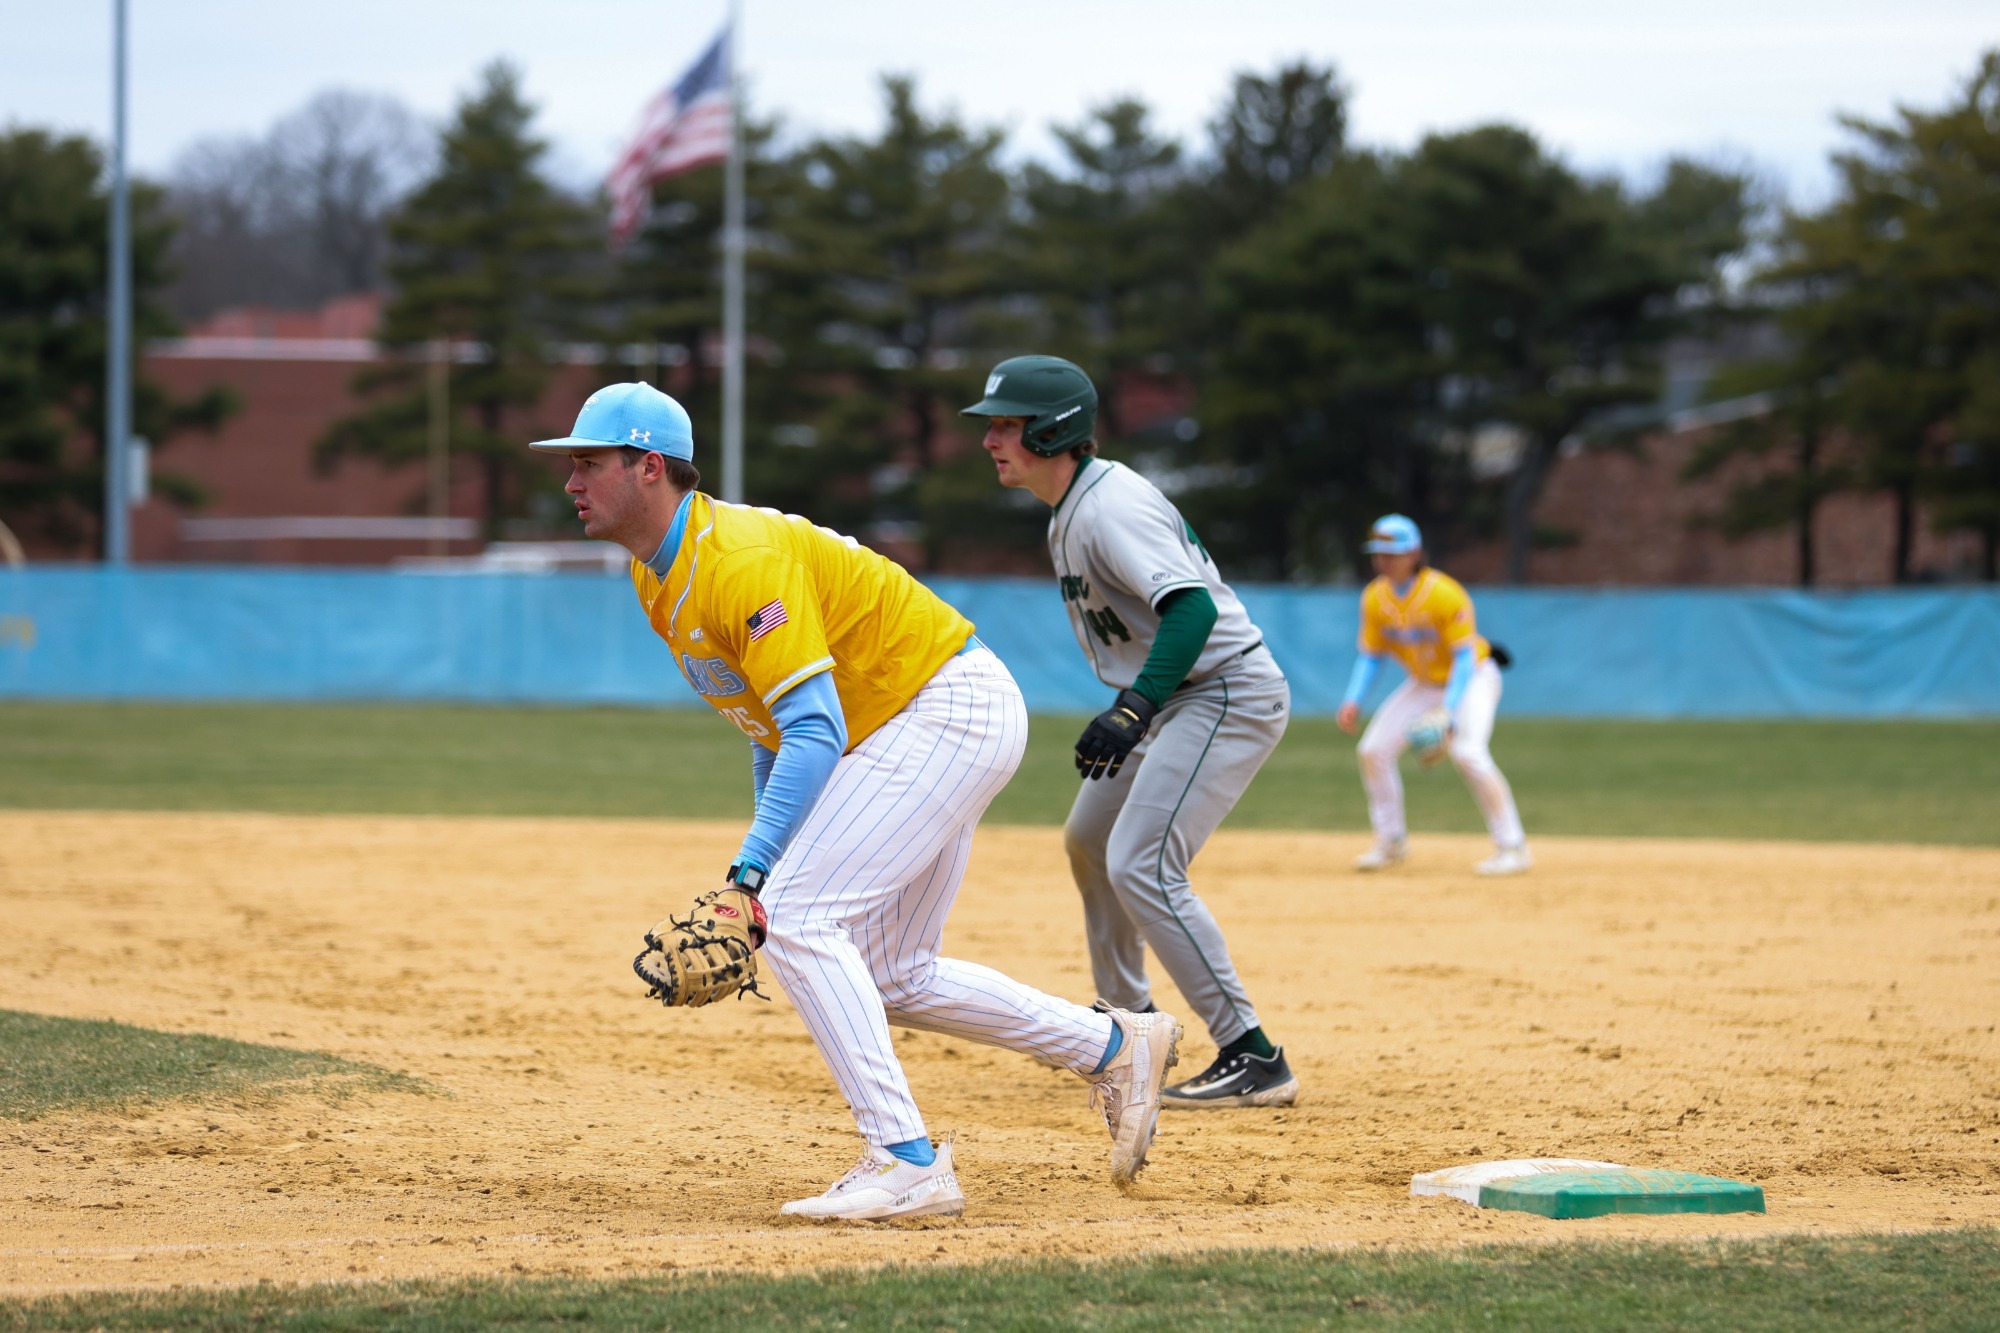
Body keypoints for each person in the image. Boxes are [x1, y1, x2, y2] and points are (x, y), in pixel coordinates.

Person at [533, 381, 1183, 1222]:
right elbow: (772, 733)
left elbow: (812, 729)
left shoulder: (737, 560)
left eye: (588, 461)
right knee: (892, 972)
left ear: (648, 466)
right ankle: (1112, 1045)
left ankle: (905, 1159)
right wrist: (759, 874)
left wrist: (755, 877)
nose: (571, 482)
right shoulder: (658, 574)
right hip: (910, 723)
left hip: (941, 707)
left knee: (798, 918)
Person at [962, 355, 1300, 1111]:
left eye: (1006, 426)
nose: (990, 440)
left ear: (1053, 431)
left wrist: (1135, 706)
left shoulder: (1109, 505)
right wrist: (1142, 700)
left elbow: (1193, 611)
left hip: (1221, 690)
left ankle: (1252, 1052)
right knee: (1089, 839)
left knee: (1143, 862)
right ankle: (1128, 1027)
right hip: (1171, 694)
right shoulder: (1072, 506)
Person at [1335, 514, 1530, 876]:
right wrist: (1353, 699)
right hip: (1425, 684)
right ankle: (1391, 842)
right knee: (1372, 751)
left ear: (1415, 553)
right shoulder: (1375, 598)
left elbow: (1464, 656)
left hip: (1472, 677)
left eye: (1391, 552)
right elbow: (1371, 656)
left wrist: (1449, 712)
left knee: (1468, 752)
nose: (1383, 559)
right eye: (1378, 552)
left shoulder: (1443, 593)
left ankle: (1512, 846)